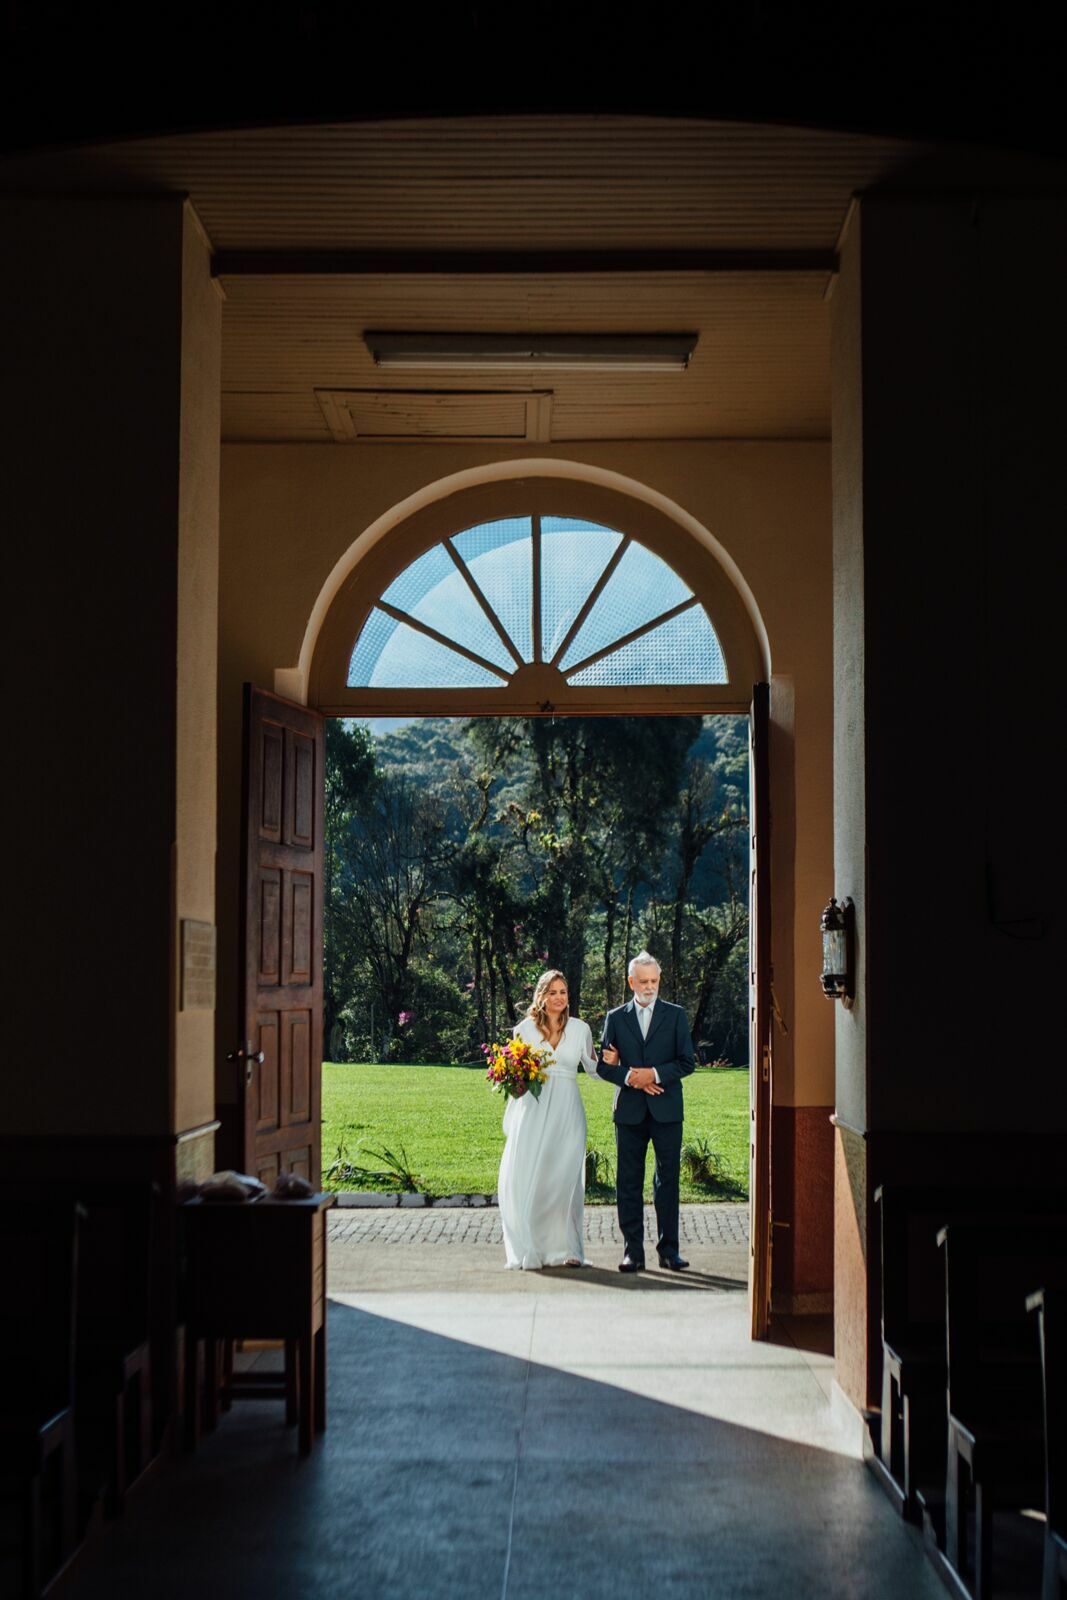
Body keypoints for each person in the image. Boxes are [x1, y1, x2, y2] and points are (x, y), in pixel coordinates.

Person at [597, 952, 695, 1273]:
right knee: (628, 1182)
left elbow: (686, 1063)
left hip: (667, 1110)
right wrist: (631, 1078)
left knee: (667, 1181)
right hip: (629, 1111)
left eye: (654, 981)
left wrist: (652, 1074)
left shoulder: (676, 1015)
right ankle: (632, 1253)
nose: (649, 987)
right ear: (631, 982)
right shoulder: (615, 1017)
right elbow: (604, 1067)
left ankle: (669, 1252)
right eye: (643, 981)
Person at [497, 969, 599, 1270]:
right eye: (552, 992)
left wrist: (618, 1062)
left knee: (567, 1178)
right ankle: (533, 1247)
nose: (558, 998)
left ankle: (569, 1248)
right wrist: (510, 1077)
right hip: (534, 1109)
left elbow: (594, 1068)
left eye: (563, 992)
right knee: (535, 1175)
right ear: (541, 996)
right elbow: (515, 1078)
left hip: (568, 1110)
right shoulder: (524, 1030)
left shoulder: (581, 1029)